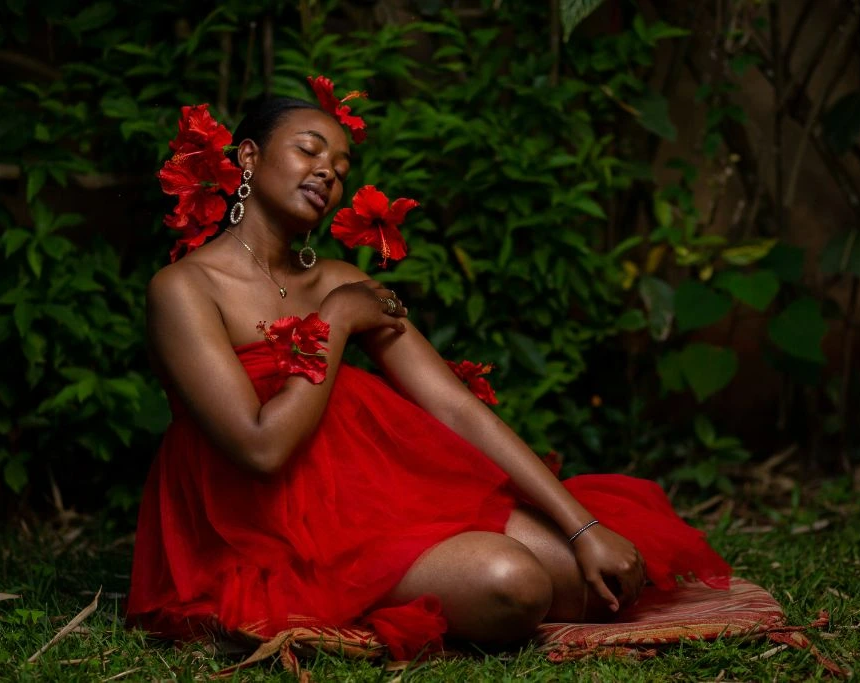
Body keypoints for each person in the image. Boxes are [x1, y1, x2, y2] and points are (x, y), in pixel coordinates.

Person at [126, 93, 731, 659]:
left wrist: (583, 525)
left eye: (340, 166)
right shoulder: (184, 289)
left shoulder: (338, 276)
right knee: (513, 584)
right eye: (310, 149)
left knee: (592, 582)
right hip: (256, 521)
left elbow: (453, 404)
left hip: (369, 493)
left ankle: (425, 568)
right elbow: (261, 448)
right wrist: (334, 321)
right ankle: (342, 597)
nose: (328, 173)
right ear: (250, 156)